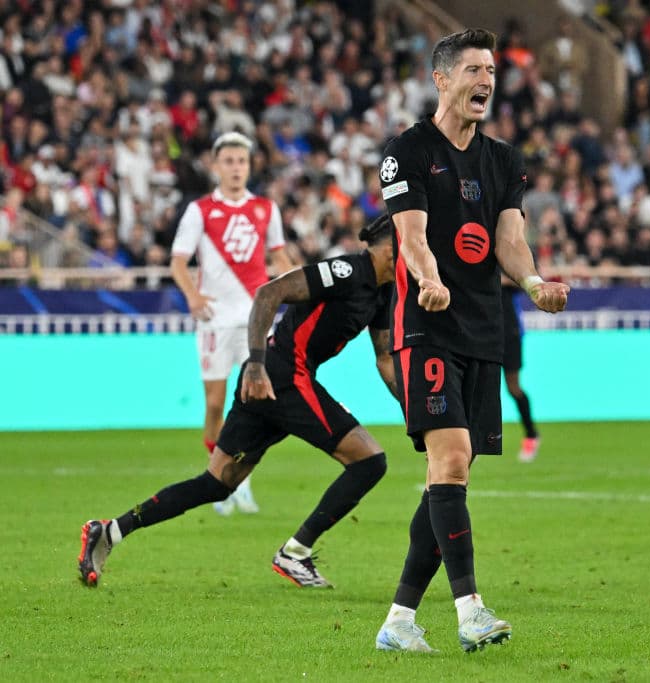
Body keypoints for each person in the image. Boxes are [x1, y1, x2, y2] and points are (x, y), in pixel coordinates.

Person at [373, 28, 570, 654]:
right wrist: (429, 280)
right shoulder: (407, 151)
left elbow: (510, 239)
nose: (486, 80)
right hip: (427, 327)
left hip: (484, 330)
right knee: (452, 458)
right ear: (442, 79)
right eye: (473, 70)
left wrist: (533, 283)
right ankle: (470, 611)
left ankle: (399, 621)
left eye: (490, 71)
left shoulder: (504, 160)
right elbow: (411, 237)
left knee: (448, 476)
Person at [78, 216, 398, 589]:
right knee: (369, 461)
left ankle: (111, 531)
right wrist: (257, 366)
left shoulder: (383, 292)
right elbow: (269, 293)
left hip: (277, 378)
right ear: (390, 247)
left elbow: (385, 359)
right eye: (411, 247)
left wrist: (416, 413)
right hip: (282, 375)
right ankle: (295, 552)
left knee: (217, 483)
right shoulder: (346, 272)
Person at [170, 132, 294, 516]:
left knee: (256, 402)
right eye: (229, 161)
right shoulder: (200, 211)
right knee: (214, 404)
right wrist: (193, 295)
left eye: (242, 161)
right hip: (215, 320)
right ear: (216, 166)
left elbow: (280, 258)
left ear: (250, 166)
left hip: (256, 320)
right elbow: (178, 261)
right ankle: (217, 479)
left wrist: (302, 288)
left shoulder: (265, 209)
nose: (236, 168)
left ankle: (241, 482)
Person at [501, 275, 541, 462]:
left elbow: (528, 279)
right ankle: (474, 440)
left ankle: (531, 435)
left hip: (510, 332)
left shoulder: (508, 260)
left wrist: (499, 279)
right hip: (483, 332)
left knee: (513, 387)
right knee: (480, 388)